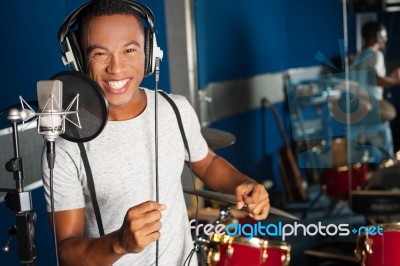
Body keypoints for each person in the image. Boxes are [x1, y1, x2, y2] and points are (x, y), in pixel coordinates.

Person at [41, 0, 270, 265]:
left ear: (150, 53)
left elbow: (207, 164)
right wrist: (119, 243)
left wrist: (243, 183)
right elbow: (67, 253)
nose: (116, 67)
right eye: (100, 53)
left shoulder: (175, 109)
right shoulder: (65, 143)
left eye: (129, 50)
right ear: (78, 60)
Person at [351, 21, 400, 158]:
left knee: (361, 160)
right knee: (386, 161)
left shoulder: (359, 57)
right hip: (373, 113)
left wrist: (389, 78)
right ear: (376, 36)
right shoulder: (375, 55)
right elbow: (377, 80)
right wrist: (396, 80)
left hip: (358, 115)